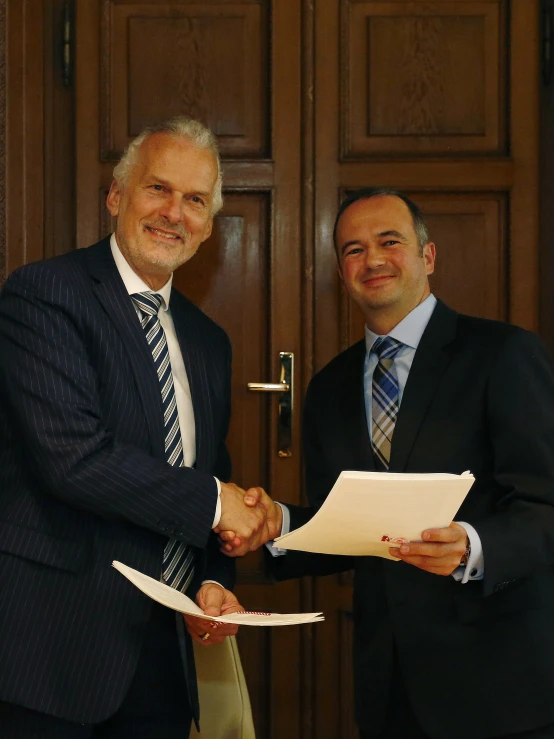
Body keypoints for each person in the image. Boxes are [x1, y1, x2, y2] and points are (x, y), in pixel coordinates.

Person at [220, 188, 554, 739]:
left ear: (428, 256)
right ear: (341, 273)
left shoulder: (504, 354)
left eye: (389, 241)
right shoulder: (327, 388)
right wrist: (275, 526)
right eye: (353, 249)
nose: (371, 259)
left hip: (501, 682)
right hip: (389, 686)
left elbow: (544, 505)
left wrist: (474, 545)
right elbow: (347, 526)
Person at [0, 116, 271, 738]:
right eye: (159, 189)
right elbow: (73, 457)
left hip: (162, 652)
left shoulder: (208, 342)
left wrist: (212, 579)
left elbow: (209, 475)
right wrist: (215, 502)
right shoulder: (45, 295)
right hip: (52, 648)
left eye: (195, 200)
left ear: (209, 225)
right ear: (117, 197)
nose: (174, 212)